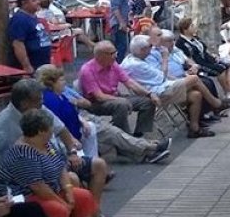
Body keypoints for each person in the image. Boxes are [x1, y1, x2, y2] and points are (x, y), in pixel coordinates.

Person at [0, 109, 113, 217]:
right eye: (50, 127)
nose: (53, 130)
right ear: (41, 130)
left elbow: (61, 167)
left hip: (51, 190)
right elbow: (37, 186)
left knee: (83, 196)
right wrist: (63, 203)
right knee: (57, 209)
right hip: (27, 197)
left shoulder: (45, 144)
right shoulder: (23, 153)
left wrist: (69, 193)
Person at [37, 65, 170, 165]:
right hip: (83, 120)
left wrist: (78, 106)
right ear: (51, 82)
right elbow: (60, 122)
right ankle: (150, 148)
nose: (65, 83)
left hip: (83, 116)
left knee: (114, 132)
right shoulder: (49, 100)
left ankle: (146, 153)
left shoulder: (63, 93)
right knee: (113, 132)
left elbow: (85, 103)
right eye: (61, 80)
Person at [78, 41, 158, 136]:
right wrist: (122, 99)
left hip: (115, 97)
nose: (116, 56)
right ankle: (124, 137)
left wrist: (149, 94)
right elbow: (100, 97)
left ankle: (138, 134)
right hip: (95, 103)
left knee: (148, 102)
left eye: (115, 52)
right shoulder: (87, 70)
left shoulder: (113, 64)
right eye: (112, 53)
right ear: (100, 56)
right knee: (121, 104)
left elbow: (130, 83)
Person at [6, 0, 53, 73]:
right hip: (33, 65)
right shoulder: (19, 19)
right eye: (34, 0)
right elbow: (18, 44)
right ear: (24, 3)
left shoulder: (33, 17)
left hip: (42, 64)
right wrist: (27, 66)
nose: (38, 2)